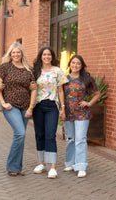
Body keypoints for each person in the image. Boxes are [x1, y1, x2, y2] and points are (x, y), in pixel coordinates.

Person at [0, 42, 37, 177]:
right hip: (10, 106)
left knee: (20, 136)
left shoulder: (29, 69)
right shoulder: (5, 67)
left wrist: (31, 107)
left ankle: (17, 167)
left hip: (25, 107)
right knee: (20, 133)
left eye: (18, 52)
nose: (16, 54)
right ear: (10, 54)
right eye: (13, 52)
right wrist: (3, 103)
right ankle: (11, 166)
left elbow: (34, 89)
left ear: (22, 53)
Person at [32, 47, 68, 179]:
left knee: (50, 135)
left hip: (52, 105)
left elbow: (60, 90)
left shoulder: (57, 71)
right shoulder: (35, 71)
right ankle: (42, 163)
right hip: (38, 106)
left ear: (52, 56)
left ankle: (52, 167)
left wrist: (62, 107)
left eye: (49, 54)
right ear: (41, 56)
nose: (46, 56)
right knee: (39, 135)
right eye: (44, 54)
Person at [62, 55, 101, 178]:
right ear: (70, 64)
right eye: (73, 63)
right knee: (70, 139)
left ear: (82, 65)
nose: (75, 65)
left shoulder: (87, 79)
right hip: (68, 113)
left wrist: (89, 103)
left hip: (82, 114)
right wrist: (61, 109)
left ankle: (81, 165)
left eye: (78, 63)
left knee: (80, 139)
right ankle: (70, 163)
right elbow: (60, 95)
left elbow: (97, 94)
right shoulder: (64, 79)